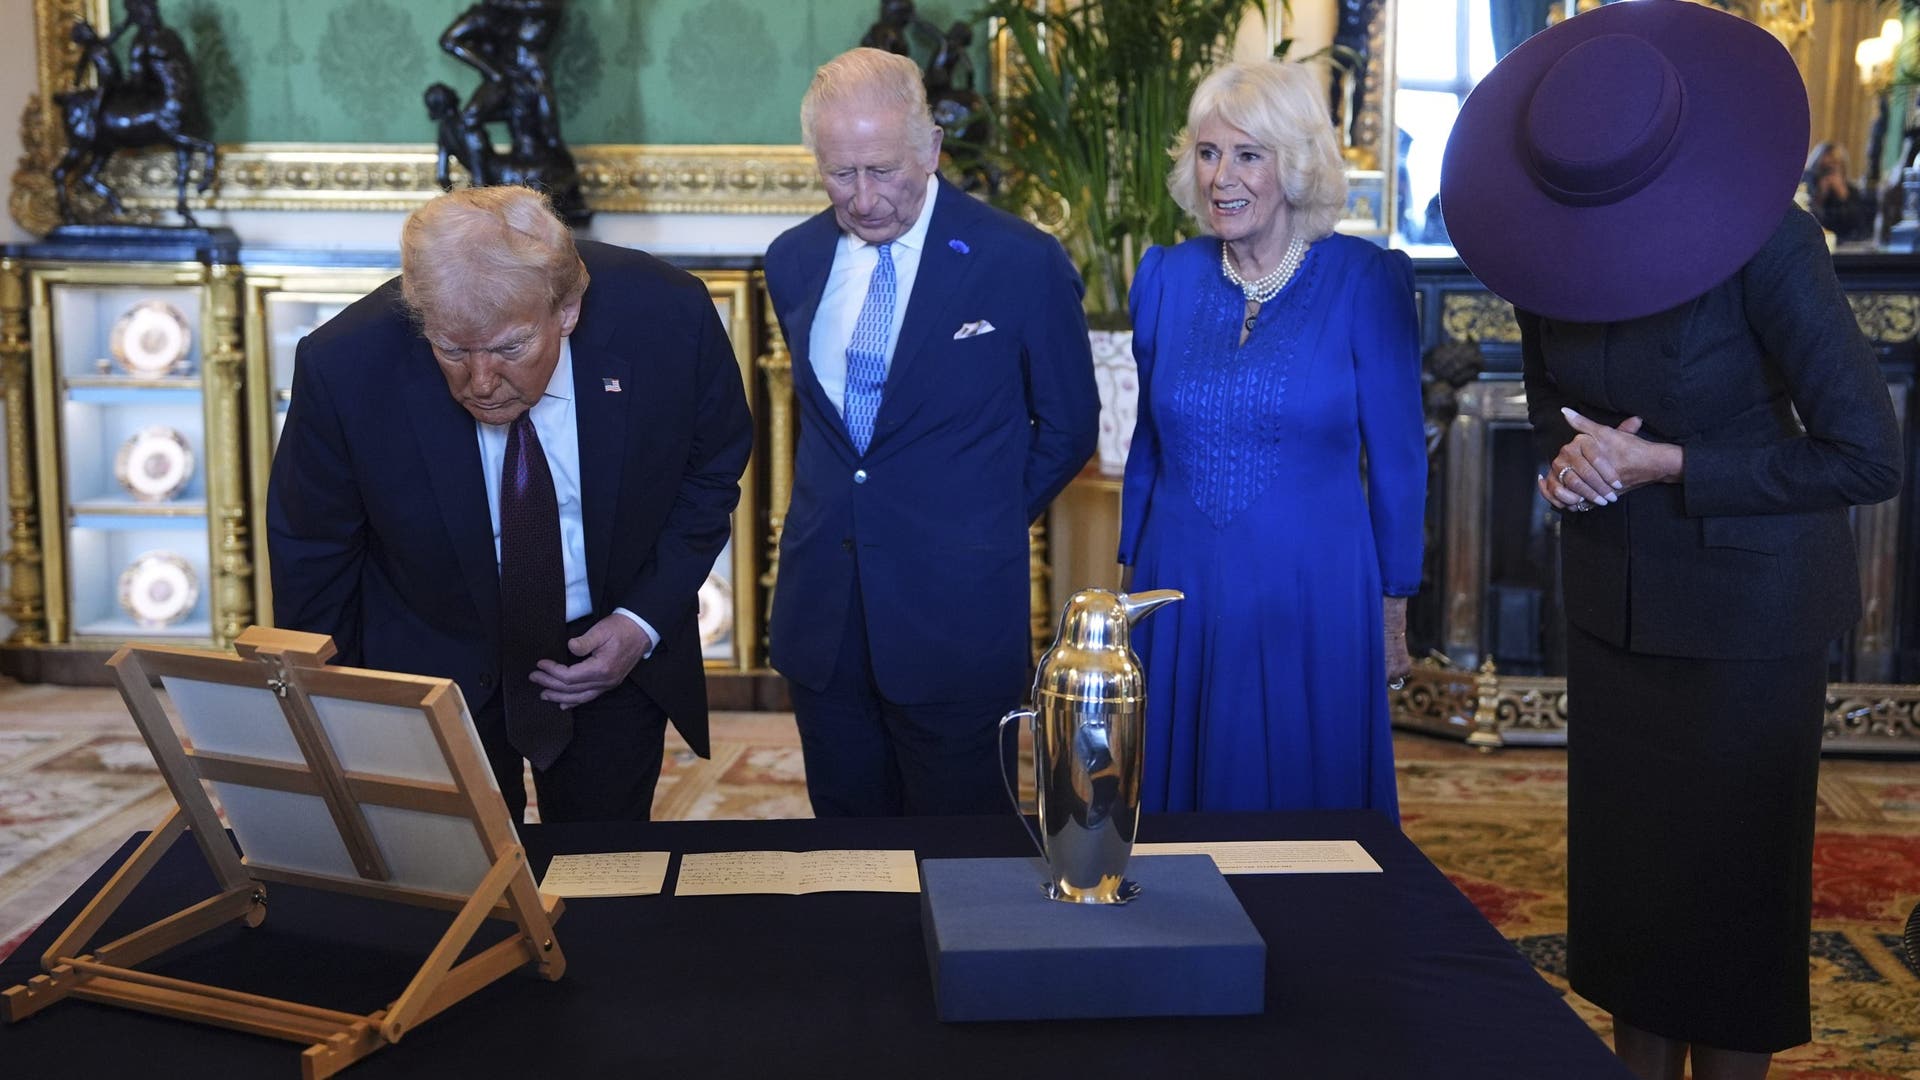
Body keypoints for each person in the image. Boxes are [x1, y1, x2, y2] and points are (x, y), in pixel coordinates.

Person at [1438, 4, 1903, 1078]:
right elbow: (1556, 401)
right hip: (1614, 611)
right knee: (1631, 897)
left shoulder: (1772, 240)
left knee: (1730, 902)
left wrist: (1673, 466)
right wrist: (1573, 463)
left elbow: (1868, 455)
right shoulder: (1541, 239)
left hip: (1752, 621)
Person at [268, 186, 752, 824]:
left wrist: (642, 620)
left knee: (602, 875)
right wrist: (337, 710)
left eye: (508, 348)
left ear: (568, 310)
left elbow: (710, 468)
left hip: (607, 645)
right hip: (429, 659)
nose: (481, 381)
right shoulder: (345, 363)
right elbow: (313, 549)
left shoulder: (667, 316)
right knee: (448, 880)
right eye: (452, 350)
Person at [764, 47, 1099, 817]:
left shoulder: (1019, 261)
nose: (864, 197)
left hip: (955, 615)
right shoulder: (794, 259)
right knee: (847, 855)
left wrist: (975, 514)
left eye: (883, 171)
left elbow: (1070, 424)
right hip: (826, 617)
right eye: (841, 174)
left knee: (965, 858)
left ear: (932, 149)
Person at [1117, 59, 1426, 817]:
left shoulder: (1365, 280)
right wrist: (1128, 593)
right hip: (1178, 586)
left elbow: (1397, 462)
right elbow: (1147, 450)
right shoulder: (1165, 277)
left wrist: (1394, 614)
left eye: (1249, 155)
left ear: (1294, 165)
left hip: (1312, 595)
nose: (1224, 176)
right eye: (1209, 152)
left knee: (1301, 810)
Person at [1802, 142, 1875, 243]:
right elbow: (1809, 221)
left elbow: (1860, 227)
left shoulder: (1852, 192)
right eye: (1825, 168)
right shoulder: (1807, 190)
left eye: (1834, 166)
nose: (1829, 172)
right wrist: (1820, 197)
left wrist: (1844, 196)